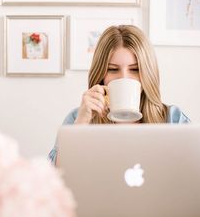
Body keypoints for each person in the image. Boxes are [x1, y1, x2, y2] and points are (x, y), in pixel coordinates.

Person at [48, 25, 190, 164]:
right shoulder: (77, 118)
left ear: (147, 73)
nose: (124, 78)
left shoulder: (173, 119)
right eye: (112, 69)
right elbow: (55, 179)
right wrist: (80, 125)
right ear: (101, 74)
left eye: (134, 69)